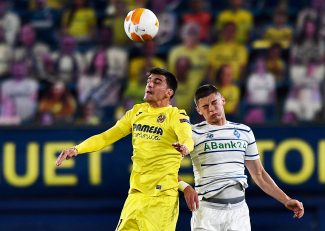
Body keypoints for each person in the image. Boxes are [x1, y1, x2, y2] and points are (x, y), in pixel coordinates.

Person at [55, 67, 194, 231]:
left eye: (157, 82)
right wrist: (77, 149)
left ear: (169, 93)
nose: (149, 85)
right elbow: (106, 137)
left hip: (161, 199)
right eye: (149, 81)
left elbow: (187, 138)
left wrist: (185, 147)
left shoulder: (176, 116)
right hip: (135, 196)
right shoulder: (136, 112)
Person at [176, 84, 304, 230]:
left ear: (222, 100)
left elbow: (259, 174)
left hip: (239, 214)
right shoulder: (192, 133)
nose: (211, 109)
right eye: (205, 106)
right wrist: (185, 187)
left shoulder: (244, 131)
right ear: (198, 110)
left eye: (214, 102)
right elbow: (166, 169)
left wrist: (286, 200)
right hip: (206, 214)